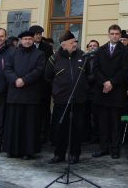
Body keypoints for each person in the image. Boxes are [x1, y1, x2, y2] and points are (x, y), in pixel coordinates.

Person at [46, 30, 87, 164]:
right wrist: (57, 90)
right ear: (64, 45)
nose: (75, 44)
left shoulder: (83, 56)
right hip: (61, 100)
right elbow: (47, 77)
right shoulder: (54, 58)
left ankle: (75, 154)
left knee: (77, 128)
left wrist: (84, 87)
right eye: (72, 42)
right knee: (60, 128)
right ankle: (59, 154)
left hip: (79, 100)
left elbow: (90, 75)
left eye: (75, 41)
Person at [3, 30, 45, 159]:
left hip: (31, 95)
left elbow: (39, 70)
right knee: (13, 124)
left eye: (29, 39)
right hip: (15, 94)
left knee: (29, 125)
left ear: (33, 40)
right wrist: (15, 79)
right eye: (25, 39)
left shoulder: (40, 54)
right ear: (21, 40)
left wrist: (24, 80)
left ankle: (28, 151)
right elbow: (7, 68)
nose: (27, 41)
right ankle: (12, 150)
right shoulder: (13, 53)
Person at [92, 24, 128, 159]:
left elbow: (125, 71)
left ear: (120, 35)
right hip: (102, 91)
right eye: (112, 33)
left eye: (117, 34)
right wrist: (104, 82)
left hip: (116, 92)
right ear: (108, 35)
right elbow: (95, 69)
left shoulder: (125, 52)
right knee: (103, 123)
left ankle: (115, 149)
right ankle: (103, 148)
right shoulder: (100, 50)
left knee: (116, 123)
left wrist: (111, 82)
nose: (114, 36)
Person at [30, 24, 54, 143]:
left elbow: (49, 65)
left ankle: (44, 135)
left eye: (40, 34)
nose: (38, 36)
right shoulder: (26, 46)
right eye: (36, 34)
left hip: (44, 84)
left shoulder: (47, 48)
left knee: (44, 110)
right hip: (30, 84)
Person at [84, 39, 100, 143]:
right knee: (85, 115)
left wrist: (89, 79)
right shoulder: (84, 59)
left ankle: (96, 136)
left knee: (96, 116)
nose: (92, 47)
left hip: (96, 92)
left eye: (95, 46)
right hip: (85, 92)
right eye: (90, 46)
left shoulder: (100, 59)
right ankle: (86, 136)